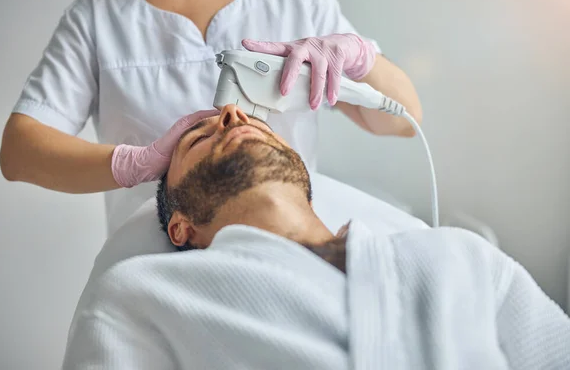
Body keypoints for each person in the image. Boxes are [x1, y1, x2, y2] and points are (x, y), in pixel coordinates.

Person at [62, 104, 570, 370]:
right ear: (180, 227)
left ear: (302, 171)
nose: (232, 117)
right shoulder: (141, 295)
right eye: (197, 138)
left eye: (255, 123)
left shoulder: (455, 256)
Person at [0, 0, 423, 236]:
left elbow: (405, 121)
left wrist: (361, 57)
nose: (230, 120)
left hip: (289, 239)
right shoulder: (96, 17)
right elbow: (19, 152)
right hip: (160, 262)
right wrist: (134, 163)